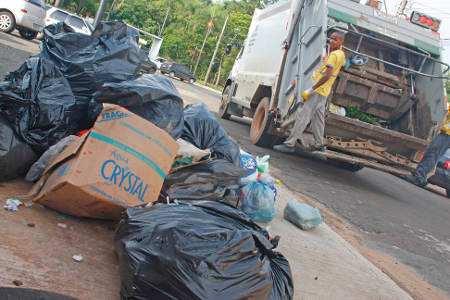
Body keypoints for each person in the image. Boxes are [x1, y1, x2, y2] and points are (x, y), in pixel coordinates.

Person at [274, 31, 346, 153]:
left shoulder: (334, 56)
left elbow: (327, 75)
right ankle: (319, 144)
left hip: (317, 91)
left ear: (341, 41)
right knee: (318, 119)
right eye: (331, 38)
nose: (331, 41)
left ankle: (289, 144)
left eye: (335, 39)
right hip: (324, 92)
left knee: (303, 116)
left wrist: (311, 89)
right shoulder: (341, 54)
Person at [405, 109, 450, 187]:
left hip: (447, 134)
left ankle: (419, 177)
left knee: (432, 154)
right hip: (446, 133)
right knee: (432, 154)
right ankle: (420, 175)